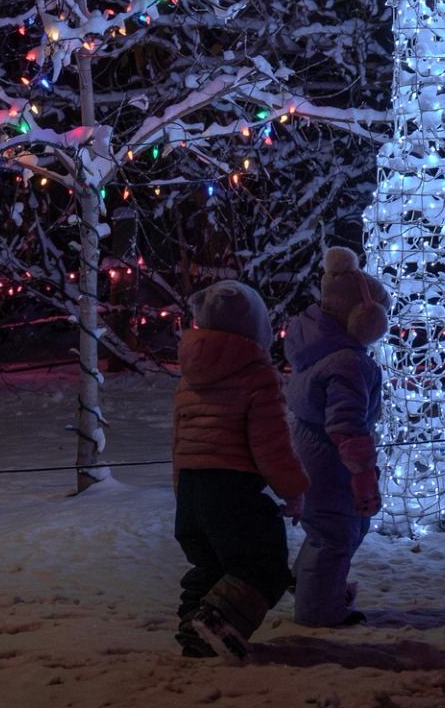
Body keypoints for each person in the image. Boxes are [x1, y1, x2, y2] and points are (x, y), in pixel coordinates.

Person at [171, 280, 308, 661]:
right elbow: (271, 445)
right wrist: (292, 490)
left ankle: (193, 629)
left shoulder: (188, 376)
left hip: (193, 492)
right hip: (232, 490)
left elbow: (180, 442)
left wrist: (182, 491)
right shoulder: (256, 375)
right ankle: (216, 619)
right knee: (263, 563)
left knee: (212, 563)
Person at [286, 246, 388, 626]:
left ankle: (314, 584)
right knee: (335, 533)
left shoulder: (317, 351)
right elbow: (347, 425)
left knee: (331, 529)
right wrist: (363, 475)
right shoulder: (348, 362)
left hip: (312, 452)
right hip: (332, 462)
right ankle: (318, 610)